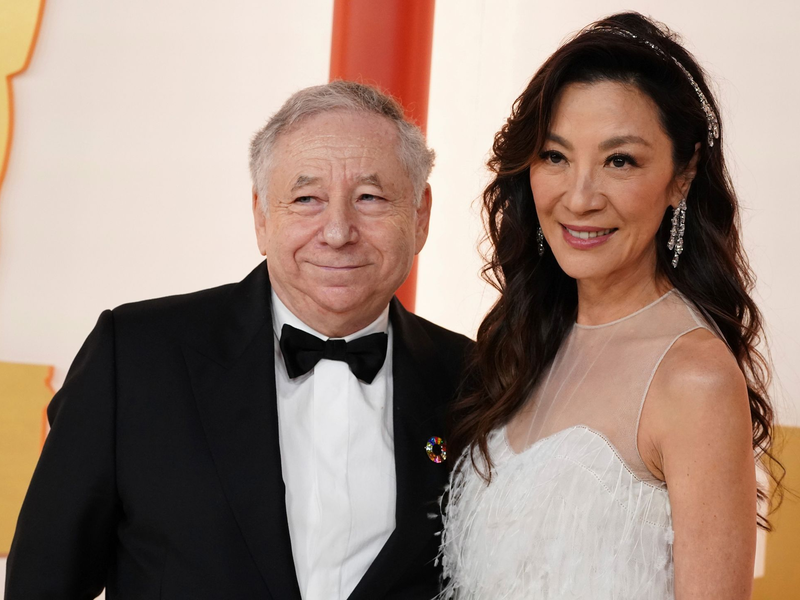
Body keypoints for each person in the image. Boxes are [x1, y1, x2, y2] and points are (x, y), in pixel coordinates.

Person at [6, 81, 472, 600]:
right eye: (306, 199)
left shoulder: (474, 378)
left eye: (370, 197)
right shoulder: (136, 357)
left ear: (420, 215)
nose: (338, 231)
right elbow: (42, 584)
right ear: (261, 216)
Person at [439, 12, 782, 600]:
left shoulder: (692, 378)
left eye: (619, 161)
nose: (579, 198)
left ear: (683, 176)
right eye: (555, 156)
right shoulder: (521, 345)